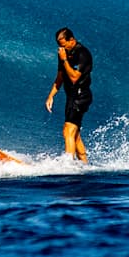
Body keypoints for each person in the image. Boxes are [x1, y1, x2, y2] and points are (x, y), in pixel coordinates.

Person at [45, 27, 92, 162]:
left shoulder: (82, 54)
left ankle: (69, 164)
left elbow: (74, 77)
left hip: (81, 96)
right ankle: (84, 163)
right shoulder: (63, 53)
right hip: (71, 97)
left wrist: (65, 60)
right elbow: (60, 77)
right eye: (59, 45)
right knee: (75, 135)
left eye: (63, 45)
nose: (61, 48)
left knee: (68, 130)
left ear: (71, 40)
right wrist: (51, 96)